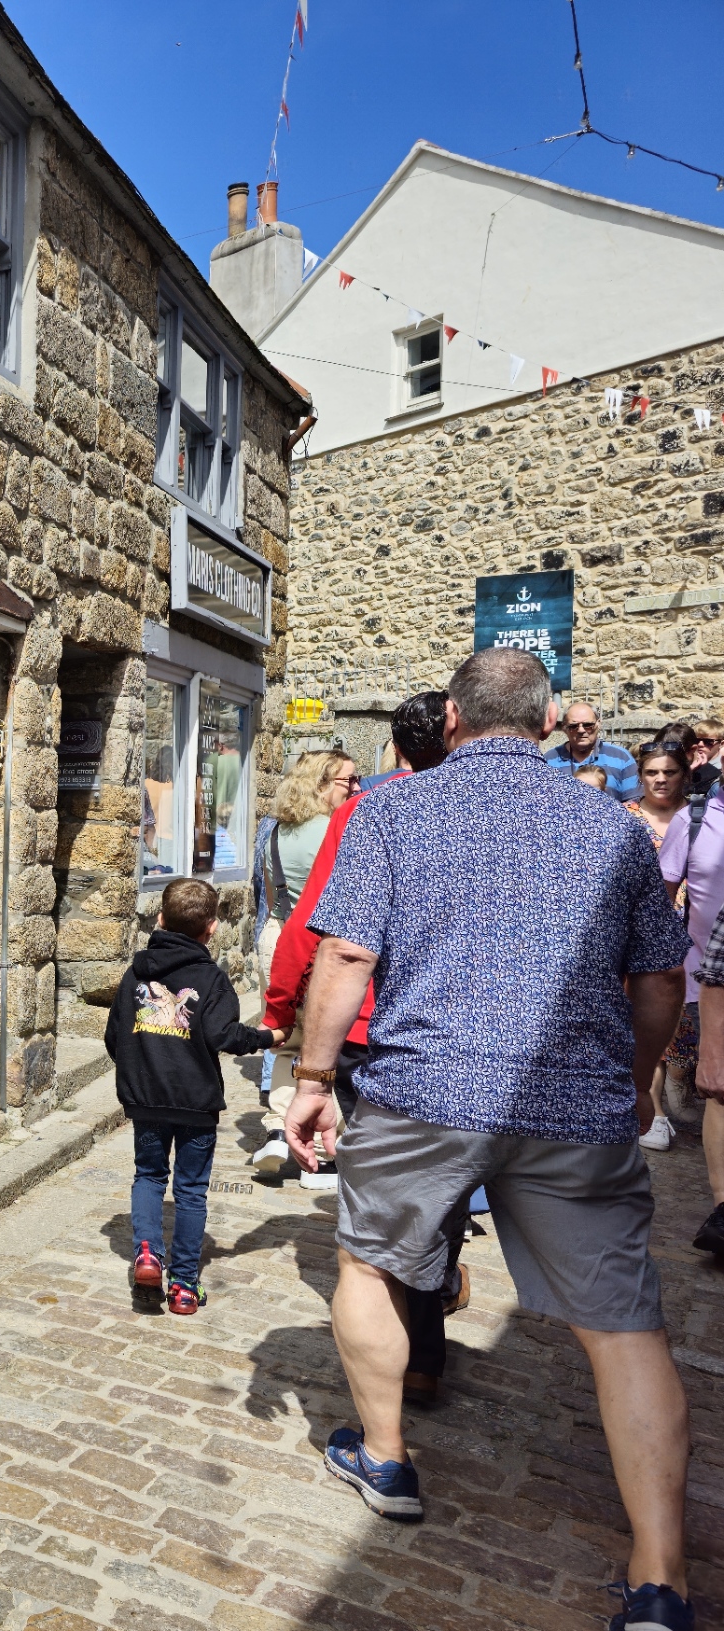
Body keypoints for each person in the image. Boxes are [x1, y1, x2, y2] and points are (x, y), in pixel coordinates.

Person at [286, 649, 692, 1631]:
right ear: (549, 724)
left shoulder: (394, 807)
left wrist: (309, 1078)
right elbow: (659, 981)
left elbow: (345, 952)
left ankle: (385, 1455)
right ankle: (659, 1576)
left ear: (454, 721)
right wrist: (638, 1080)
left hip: (425, 1087)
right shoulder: (616, 826)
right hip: (574, 1102)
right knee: (623, 1325)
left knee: (373, 1264)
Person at [262, 692, 467, 1400]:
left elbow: (315, 928)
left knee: (384, 1195)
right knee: (441, 1180)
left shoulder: (369, 811)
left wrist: (280, 1008)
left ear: (396, 748)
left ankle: (412, 1360)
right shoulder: (497, 812)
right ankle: (433, 1307)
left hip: (368, 1028)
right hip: (457, 1029)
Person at [107, 877, 282, 1316]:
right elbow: (224, 1035)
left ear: (161, 919)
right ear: (212, 928)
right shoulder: (211, 979)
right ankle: (184, 1284)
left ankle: (147, 1253)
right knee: (190, 1190)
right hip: (195, 1102)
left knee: (148, 1176)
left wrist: (137, 1070)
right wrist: (269, 1036)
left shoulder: (136, 974)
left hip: (146, 1099)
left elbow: (115, 1036)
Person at [661, 758, 724, 1255]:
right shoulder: (697, 817)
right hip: (706, 977)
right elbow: (662, 901)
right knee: (719, 1090)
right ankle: (723, 1209)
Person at [624, 744, 690, 1154]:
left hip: (697, 935)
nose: (660, 779)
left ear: (683, 773)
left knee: (683, 1023)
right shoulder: (624, 819)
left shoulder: (696, 817)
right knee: (648, 1013)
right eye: (651, 772)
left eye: (668, 771)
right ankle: (655, 1108)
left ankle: (682, 1089)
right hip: (646, 937)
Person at [253, 751, 357, 968]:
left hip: (276, 939)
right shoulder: (336, 831)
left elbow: (271, 900)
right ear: (321, 785)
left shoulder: (274, 831)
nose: (355, 787)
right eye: (349, 780)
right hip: (318, 946)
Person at [545, 700, 639, 800]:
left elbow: (633, 803)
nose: (581, 730)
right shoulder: (549, 761)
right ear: (564, 728)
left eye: (587, 725)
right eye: (573, 726)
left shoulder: (621, 758)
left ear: (598, 724)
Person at [685, 717, 723, 797]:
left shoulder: (722, 771)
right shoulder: (685, 765)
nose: (700, 744)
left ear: (721, 744)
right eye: (696, 740)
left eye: (708, 742)